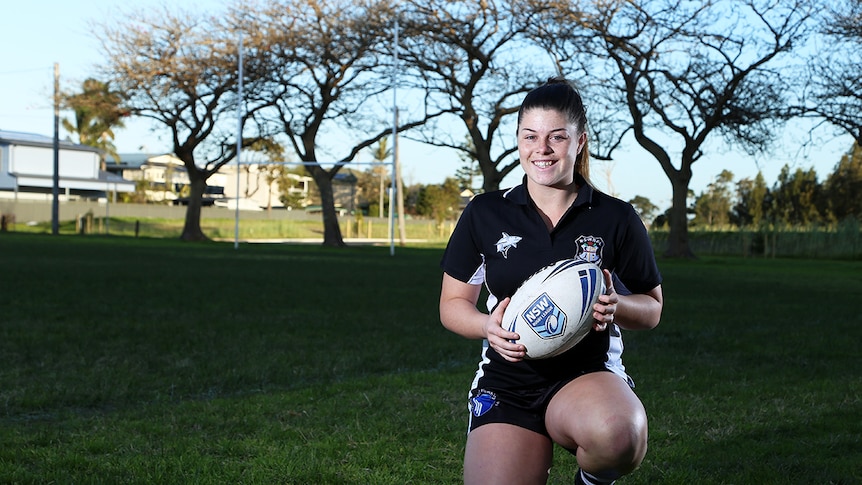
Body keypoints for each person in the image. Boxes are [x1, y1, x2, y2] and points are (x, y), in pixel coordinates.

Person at [438, 77, 664, 485]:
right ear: (519, 141)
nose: (541, 149)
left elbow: (652, 309)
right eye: (530, 136)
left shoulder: (615, 217)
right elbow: (452, 304)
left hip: (586, 375)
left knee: (620, 435)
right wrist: (485, 327)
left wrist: (618, 305)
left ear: (579, 142)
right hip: (509, 379)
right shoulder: (486, 213)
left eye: (556, 137)